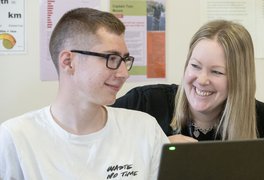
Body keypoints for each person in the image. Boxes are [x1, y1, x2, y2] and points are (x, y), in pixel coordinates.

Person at [0, 8, 168, 179]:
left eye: (125, 60)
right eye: (111, 58)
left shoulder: (145, 129)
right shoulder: (16, 137)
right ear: (68, 62)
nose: (124, 73)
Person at [112, 20, 264, 142]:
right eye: (195, 66)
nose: (202, 80)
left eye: (216, 72)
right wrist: (157, 149)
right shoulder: (145, 103)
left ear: (240, 78)